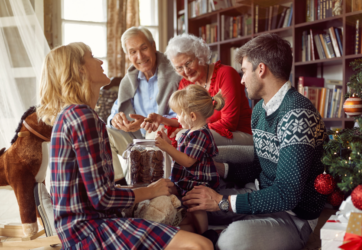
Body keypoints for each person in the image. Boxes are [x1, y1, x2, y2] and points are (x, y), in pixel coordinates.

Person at [36, 42, 212, 250]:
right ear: (80, 69)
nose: (100, 61)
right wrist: (150, 190)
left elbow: (97, 192)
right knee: (201, 245)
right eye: (92, 56)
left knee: (188, 227)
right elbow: (102, 198)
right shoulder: (82, 117)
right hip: (88, 231)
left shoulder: (73, 114)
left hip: (83, 226)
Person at [182, 33, 328, 250]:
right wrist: (219, 168)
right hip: (258, 193)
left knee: (230, 241)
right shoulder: (259, 110)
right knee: (192, 207)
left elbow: (287, 195)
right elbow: (261, 167)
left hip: (294, 216)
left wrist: (222, 201)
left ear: (261, 70)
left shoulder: (297, 114)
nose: (241, 80)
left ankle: (236, 228)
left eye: (243, 71)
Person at [141, 34, 252, 146]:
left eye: (188, 63)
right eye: (179, 68)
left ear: (200, 56)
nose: (186, 70)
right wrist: (161, 119)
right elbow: (185, 119)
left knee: (186, 137)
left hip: (238, 133)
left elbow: (229, 123)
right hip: (206, 131)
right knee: (156, 134)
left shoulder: (226, 74)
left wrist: (190, 131)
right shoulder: (185, 83)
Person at [106, 27, 182, 183]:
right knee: (104, 133)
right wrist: (117, 121)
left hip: (163, 135)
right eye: (133, 52)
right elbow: (114, 115)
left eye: (144, 48)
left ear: (153, 46)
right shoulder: (128, 81)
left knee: (155, 133)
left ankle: (154, 188)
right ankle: (121, 186)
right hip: (136, 141)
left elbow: (186, 114)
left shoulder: (176, 73)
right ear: (128, 55)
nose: (139, 56)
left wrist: (158, 120)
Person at [155, 84, 224, 235]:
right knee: (173, 193)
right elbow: (181, 153)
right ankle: (187, 224)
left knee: (196, 206)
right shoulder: (190, 132)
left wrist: (168, 148)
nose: (177, 118)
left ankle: (205, 234)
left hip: (198, 181)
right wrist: (167, 143)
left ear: (192, 116)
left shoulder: (200, 134)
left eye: (178, 114)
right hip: (187, 178)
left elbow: (188, 161)